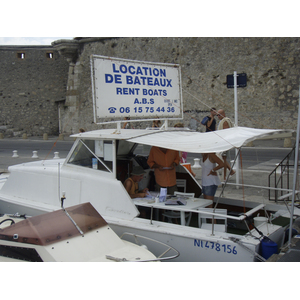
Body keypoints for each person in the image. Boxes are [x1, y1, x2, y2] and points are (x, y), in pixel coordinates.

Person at [217, 109, 235, 180]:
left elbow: (226, 132)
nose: (218, 116)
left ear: (223, 114)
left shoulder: (225, 121)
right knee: (223, 159)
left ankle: (230, 171)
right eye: (217, 115)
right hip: (224, 142)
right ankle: (229, 172)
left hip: (224, 142)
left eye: (219, 114)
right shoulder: (224, 121)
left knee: (222, 159)